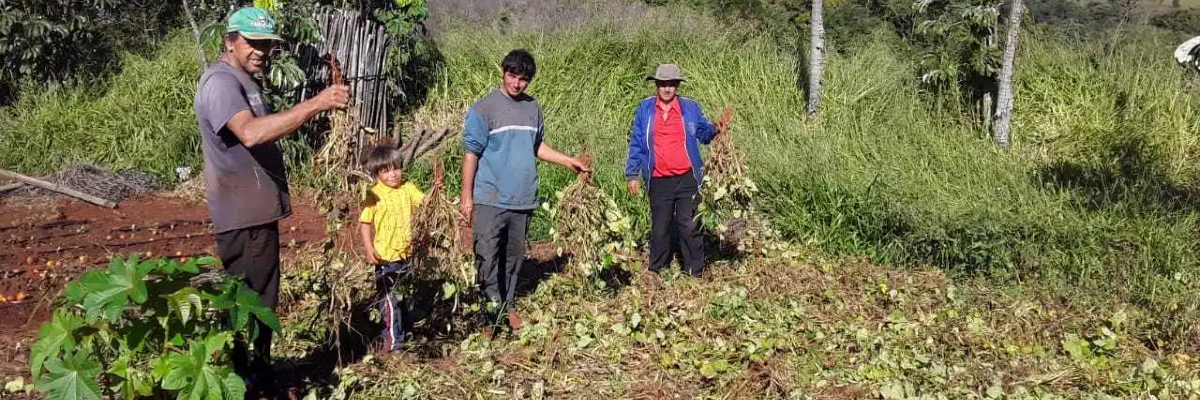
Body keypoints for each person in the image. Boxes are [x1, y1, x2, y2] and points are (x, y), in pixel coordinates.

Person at [192, 6, 349, 398]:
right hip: (242, 218)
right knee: (251, 303)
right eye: (253, 43)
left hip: (254, 214)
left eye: (266, 45)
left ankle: (254, 376)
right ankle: (250, 382)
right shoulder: (221, 83)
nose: (261, 51)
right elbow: (250, 133)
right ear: (229, 41)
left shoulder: (243, 80)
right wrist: (316, 103)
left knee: (259, 299)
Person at [460, 49, 587, 336]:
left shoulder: (532, 108)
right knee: (487, 256)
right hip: (490, 198)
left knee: (513, 258)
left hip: (522, 199)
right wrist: (466, 197)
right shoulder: (484, 109)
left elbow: (536, 147)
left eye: (523, 79)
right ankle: (489, 314)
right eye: (512, 76)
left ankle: (508, 305)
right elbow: (471, 154)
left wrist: (569, 161)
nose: (517, 84)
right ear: (503, 71)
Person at [623, 64, 727, 278]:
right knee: (660, 228)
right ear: (656, 85)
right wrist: (632, 174)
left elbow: (703, 134)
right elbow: (637, 142)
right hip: (659, 179)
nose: (667, 89)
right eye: (662, 84)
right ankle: (656, 270)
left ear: (677, 85)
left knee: (689, 225)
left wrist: (716, 128)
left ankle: (694, 272)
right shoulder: (645, 108)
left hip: (688, 177)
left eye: (671, 84)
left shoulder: (690, 108)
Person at [359, 143, 426, 353]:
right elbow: (365, 223)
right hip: (385, 258)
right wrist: (369, 248)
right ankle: (393, 342)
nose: (393, 174)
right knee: (389, 301)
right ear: (377, 173)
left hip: (407, 254)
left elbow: (426, 204)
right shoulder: (373, 194)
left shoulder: (408, 188)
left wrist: (436, 192)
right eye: (386, 171)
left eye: (396, 168)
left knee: (404, 297)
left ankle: (404, 333)